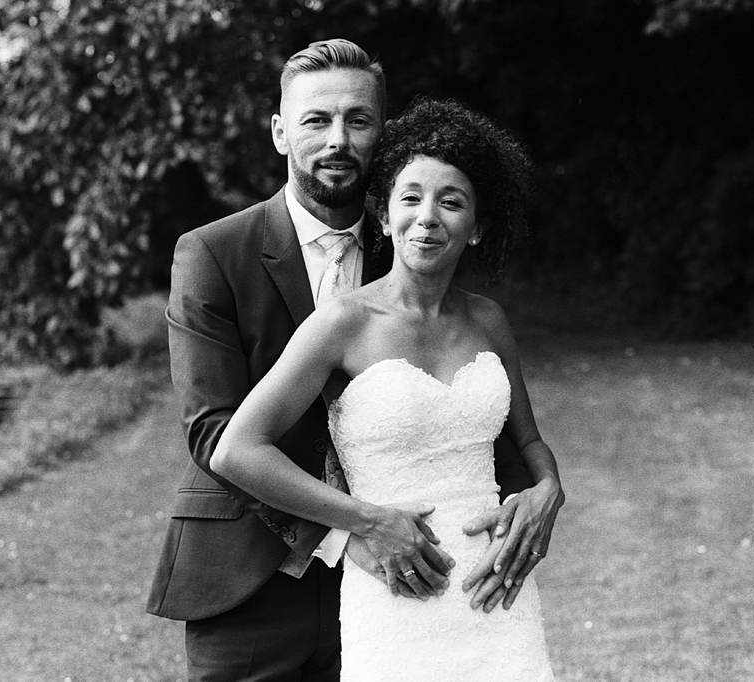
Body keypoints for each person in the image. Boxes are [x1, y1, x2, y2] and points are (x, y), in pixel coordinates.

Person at [147, 39, 559, 682]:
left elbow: (481, 422)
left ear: (381, 136)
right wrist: (356, 530)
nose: (337, 139)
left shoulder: (415, 237)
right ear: (281, 132)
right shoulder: (212, 254)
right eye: (316, 120)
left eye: (358, 120)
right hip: (258, 584)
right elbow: (214, 434)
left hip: (430, 576)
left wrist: (543, 492)